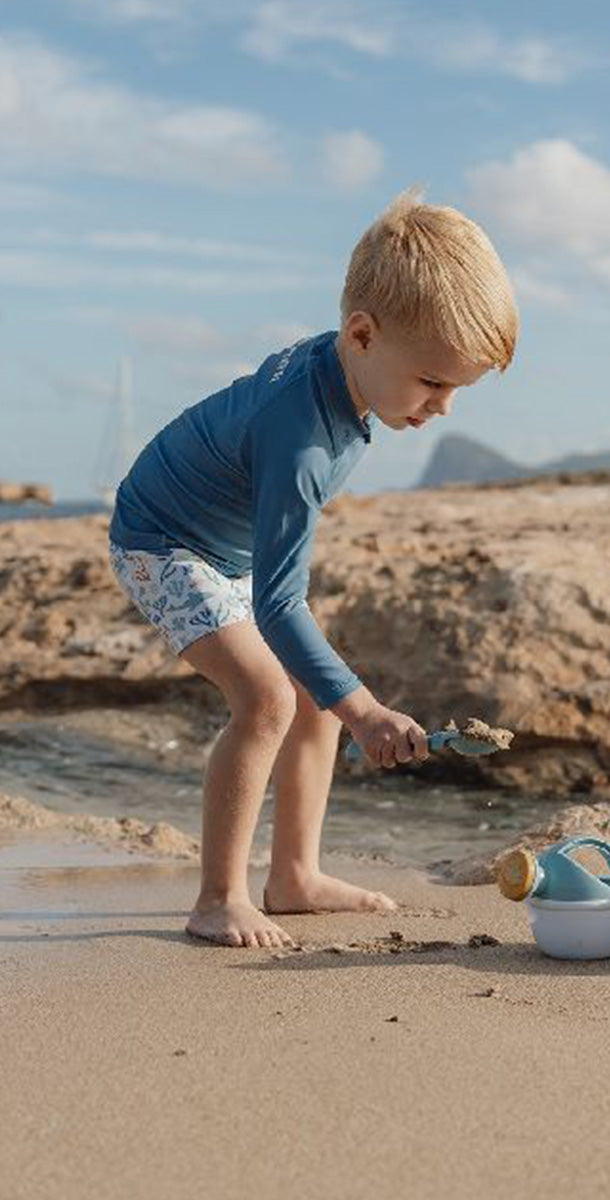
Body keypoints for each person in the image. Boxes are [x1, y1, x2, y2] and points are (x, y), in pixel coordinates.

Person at [107, 190, 519, 947]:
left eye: (458, 388)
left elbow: (278, 578)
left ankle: (293, 875)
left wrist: (340, 697)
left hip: (222, 544)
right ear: (361, 333)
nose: (444, 407)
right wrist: (365, 713)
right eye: (433, 382)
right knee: (267, 697)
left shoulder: (348, 371)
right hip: (161, 539)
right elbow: (279, 603)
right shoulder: (301, 439)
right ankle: (217, 898)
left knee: (315, 690)